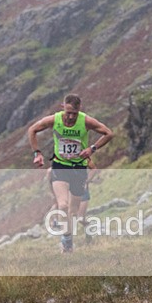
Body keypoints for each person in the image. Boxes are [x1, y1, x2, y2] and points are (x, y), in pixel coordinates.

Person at [28, 94, 113, 252]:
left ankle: (67, 238)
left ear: (79, 109)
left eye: (74, 113)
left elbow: (108, 133)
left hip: (79, 169)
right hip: (60, 166)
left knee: (73, 212)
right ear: (63, 108)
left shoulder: (86, 121)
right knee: (63, 205)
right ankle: (67, 243)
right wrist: (37, 153)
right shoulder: (54, 119)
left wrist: (92, 149)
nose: (71, 117)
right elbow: (32, 130)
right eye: (68, 113)